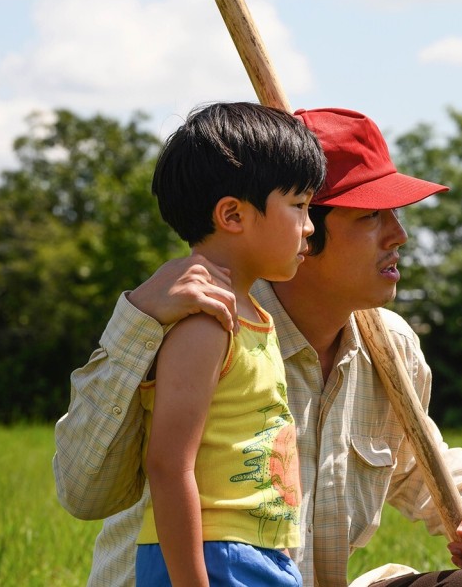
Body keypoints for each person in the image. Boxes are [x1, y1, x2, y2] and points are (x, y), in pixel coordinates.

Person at [54, 107, 462, 587]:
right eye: (369, 216)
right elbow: (83, 493)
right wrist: (136, 321)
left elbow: (416, 459)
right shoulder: (200, 320)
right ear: (307, 229)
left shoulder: (392, 346)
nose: (399, 235)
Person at [135, 102, 327, 586]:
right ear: (233, 215)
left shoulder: (256, 318)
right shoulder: (205, 324)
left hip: (256, 552)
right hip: (213, 556)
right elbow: (167, 463)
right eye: (300, 206)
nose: (309, 226)